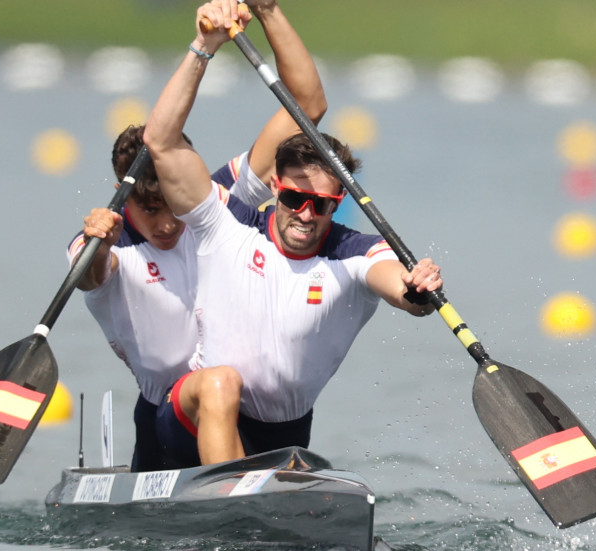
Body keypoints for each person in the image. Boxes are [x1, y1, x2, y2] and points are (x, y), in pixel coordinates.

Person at [143, 1, 445, 466]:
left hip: (281, 437)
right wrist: (204, 47)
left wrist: (417, 290)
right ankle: (235, 506)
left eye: (321, 205)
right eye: (292, 200)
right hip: (192, 417)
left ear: (338, 203)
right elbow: (160, 141)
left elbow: (399, 288)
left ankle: (246, 501)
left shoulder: (354, 254)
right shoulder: (225, 219)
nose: (305, 214)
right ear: (273, 189)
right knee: (222, 382)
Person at [67, 0, 328, 471]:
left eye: (174, 208)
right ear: (122, 201)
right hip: (172, 422)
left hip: (258, 416)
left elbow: (307, 107)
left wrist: (268, 11)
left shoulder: (215, 202)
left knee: (227, 383)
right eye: (149, 211)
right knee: (217, 381)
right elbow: (88, 278)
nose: (168, 224)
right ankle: (235, 503)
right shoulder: (108, 240)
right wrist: (98, 242)